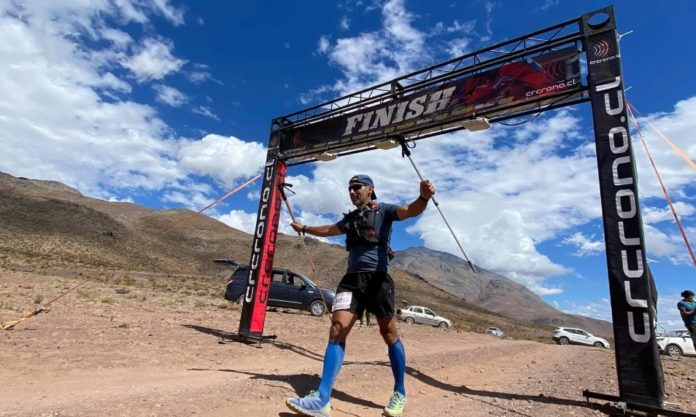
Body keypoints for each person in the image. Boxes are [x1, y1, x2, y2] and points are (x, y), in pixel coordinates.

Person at [286, 174, 435, 417]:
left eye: (357, 187)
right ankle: (322, 399)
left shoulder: (384, 210)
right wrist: (305, 228)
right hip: (351, 281)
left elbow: (409, 210)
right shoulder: (351, 218)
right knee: (337, 330)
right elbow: (329, 230)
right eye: (350, 188)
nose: (352, 191)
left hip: (377, 279)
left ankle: (399, 391)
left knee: (388, 333)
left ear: (370, 189)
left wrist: (424, 197)